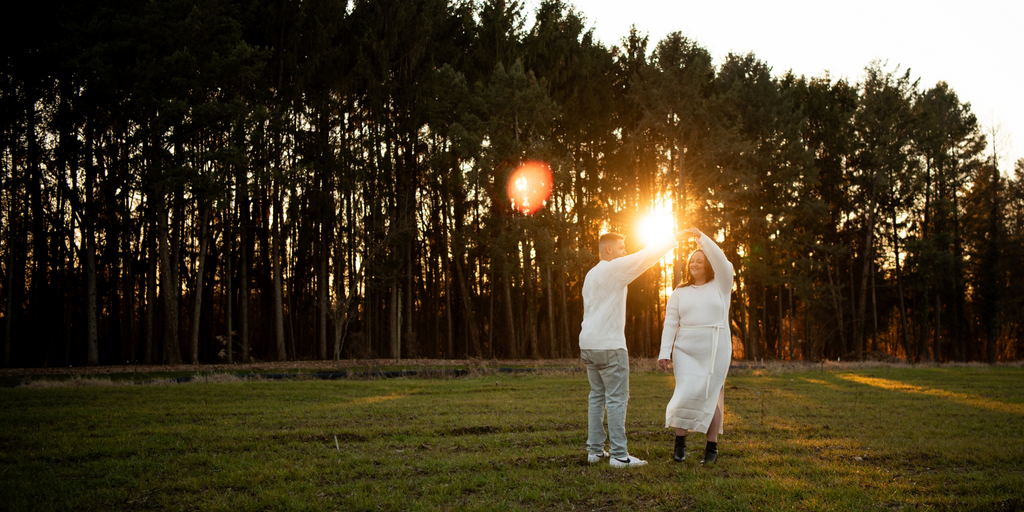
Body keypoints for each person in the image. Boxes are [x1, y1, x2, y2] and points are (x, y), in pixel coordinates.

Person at [581, 230, 688, 467]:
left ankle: (595, 451)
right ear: (608, 249)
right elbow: (645, 257)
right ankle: (619, 455)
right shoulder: (614, 268)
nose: (624, 251)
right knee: (617, 399)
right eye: (621, 247)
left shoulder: (591, 274)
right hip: (610, 346)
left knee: (597, 397)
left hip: (588, 344)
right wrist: (673, 238)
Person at [657, 227, 735, 465]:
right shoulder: (679, 292)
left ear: (709, 264)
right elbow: (670, 323)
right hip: (686, 350)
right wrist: (664, 352)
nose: (694, 264)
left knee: (711, 396)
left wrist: (701, 237)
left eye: (700, 260)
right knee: (684, 394)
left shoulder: (721, 285)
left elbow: (722, 261)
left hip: (714, 349)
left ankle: (711, 447)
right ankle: (680, 444)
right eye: (692, 260)